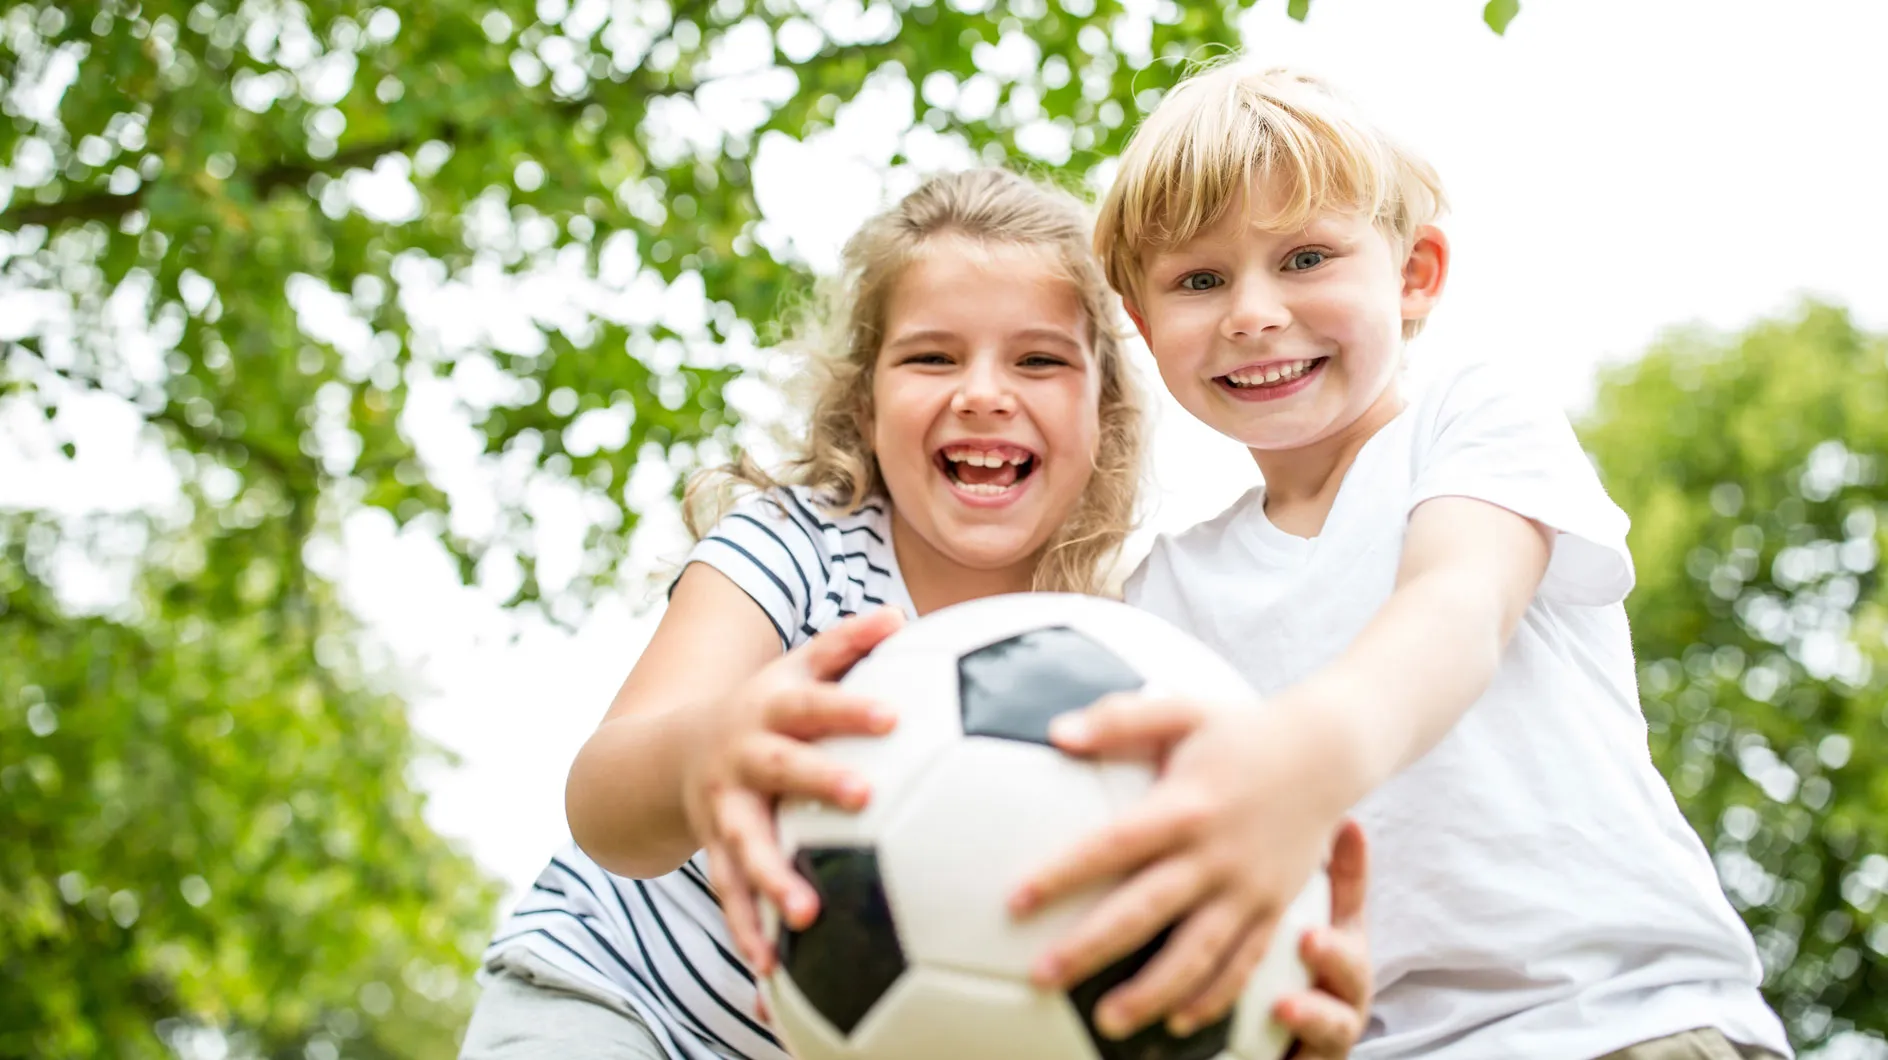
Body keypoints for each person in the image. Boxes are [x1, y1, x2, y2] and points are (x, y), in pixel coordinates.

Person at [458, 168, 1372, 1060]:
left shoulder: (1109, 654)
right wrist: (711, 752)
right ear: (866, 402)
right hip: (619, 1005)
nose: (982, 391)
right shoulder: (796, 546)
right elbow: (603, 805)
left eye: (1040, 360)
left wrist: (1252, 1009)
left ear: (1106, 410)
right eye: (932, 356)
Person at [1004, 63, 1793, 1060]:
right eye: (1199, 279)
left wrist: (1298, 762)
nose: (1252, 311)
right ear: (1141, 318)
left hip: (1618, 1025)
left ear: (1414, 272)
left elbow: (1456, 607)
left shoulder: (1469, 422)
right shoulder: (1156, 595)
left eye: (1304, 258)